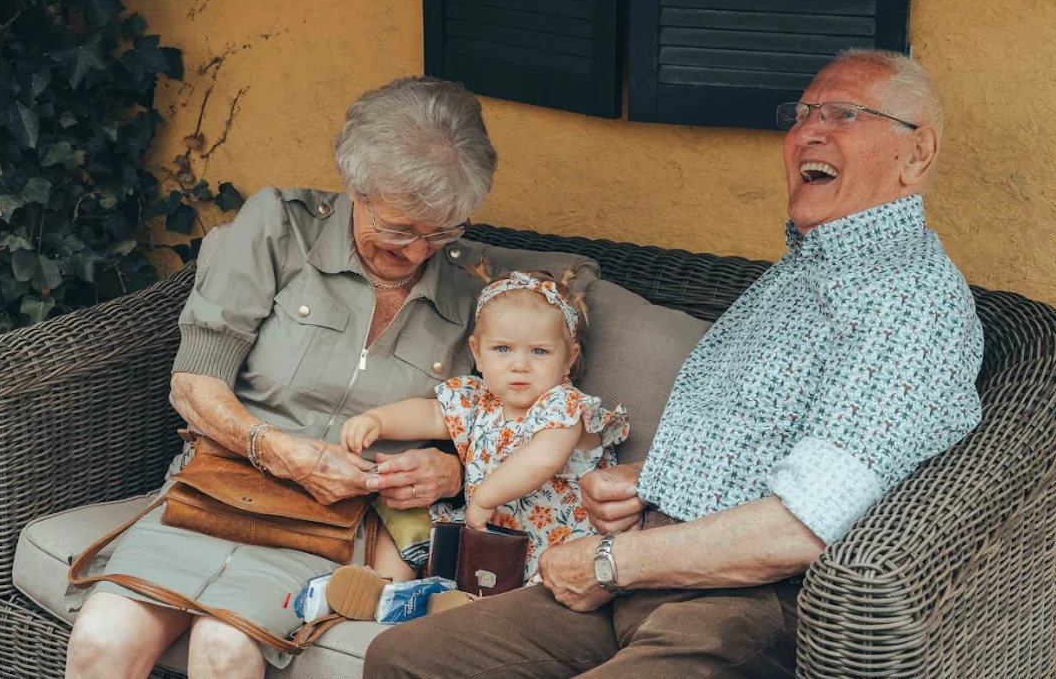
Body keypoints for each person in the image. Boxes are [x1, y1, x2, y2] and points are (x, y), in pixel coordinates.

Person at [363, 48, 985, 678]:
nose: (809, 133)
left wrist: (609, 562)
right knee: (403, 659)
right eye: (802, 114)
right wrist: (648, 485)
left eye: (844, 114)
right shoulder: (803, 270)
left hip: (740, 600)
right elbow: (764, 446)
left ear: (917, 153)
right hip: (653, 566)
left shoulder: (909, 303)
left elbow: (803, 526)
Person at [63, 76, 498, 679]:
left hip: (340, 524)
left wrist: (451, 472)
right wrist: (278, 451)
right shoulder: (280, 227)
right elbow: (192, 382)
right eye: (400, 229)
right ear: (355, 188)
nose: (418, 252)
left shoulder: (478, 290)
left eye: (441, 231)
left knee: (224, 648)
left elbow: (502, 428)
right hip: (221, 488)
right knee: (100, 639)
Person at [326, 270, 628, 616]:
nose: (520, 365)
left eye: (539, 351)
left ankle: (462, 609)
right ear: (478, 353)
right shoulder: (477, 399)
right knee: (407, 513)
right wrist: (378, 420)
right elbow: (430, 414)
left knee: (532, 590)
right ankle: (385, 588)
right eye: (502, 349)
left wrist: (485, 497)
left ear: (568, 358)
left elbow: (544, 458)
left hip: (550, 545)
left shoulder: (564, 406)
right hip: (483, 532)